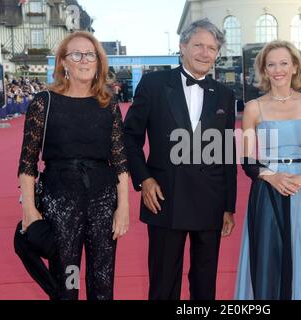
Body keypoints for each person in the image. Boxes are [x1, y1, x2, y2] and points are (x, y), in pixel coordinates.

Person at [123, 18, 237, 300]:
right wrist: (145, 180)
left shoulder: (224, 94)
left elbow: (227, 154)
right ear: (182, 46)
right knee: (163, 282)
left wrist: (228, 206)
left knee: (205, 282)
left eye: (212, 48)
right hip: (164, 197)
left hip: (210, 202)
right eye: (198, 45)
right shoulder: (153, 84)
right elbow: (129, 138)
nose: (204, 53)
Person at [18, 31, 129, 300]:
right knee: (67, 281)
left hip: (102, 200)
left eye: (90, 54)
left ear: (98, 62)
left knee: (102, 279)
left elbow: (120, 160)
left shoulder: (108, 103)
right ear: (63, 63)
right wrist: (30, 210)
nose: (84, 60)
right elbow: (27, 163)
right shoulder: (44, 103)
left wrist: (123, 206)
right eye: (76, 54)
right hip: (60, 201)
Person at [235, 40, 301, 300]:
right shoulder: (253, 108)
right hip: (269, 190)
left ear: (295, 67)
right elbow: (247, 159)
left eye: (284, 63)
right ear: (264, 70)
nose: (278, 69)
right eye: (271, 64)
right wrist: (273, 177)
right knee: (269, 258)